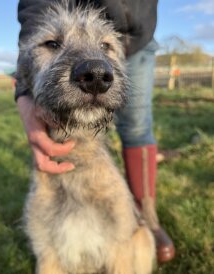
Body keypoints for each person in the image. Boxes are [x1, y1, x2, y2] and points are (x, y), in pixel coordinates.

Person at [15, 0, 175, 263]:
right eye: (53, 45)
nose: (95, 73)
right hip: (70, 15)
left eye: (105, 48)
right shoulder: (32, 55)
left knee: (137, 128)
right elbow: (34, 17)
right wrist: (23, 95)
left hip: (139, 36)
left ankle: (150, 220)